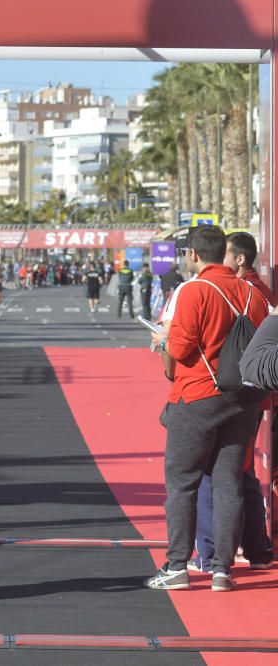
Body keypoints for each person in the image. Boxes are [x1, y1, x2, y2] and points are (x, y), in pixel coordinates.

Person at [147, 225, 270, 593]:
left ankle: (176, 566)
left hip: (198, 395)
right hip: (243, 400)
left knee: (182, 483)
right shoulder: (252, 293)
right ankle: (222, 570)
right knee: (229, 483)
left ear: (195, 255)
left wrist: (164, 338)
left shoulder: (195, 290)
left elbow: (182, 350)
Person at [189, 231, 276, 573]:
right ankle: (255, 548)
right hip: (252, 393)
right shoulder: (257, 294)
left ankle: (215, 556)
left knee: (219, 473)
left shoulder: (247, 293)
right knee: (241, 473)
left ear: (240, 259)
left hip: (227, 391)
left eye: (225, 254)